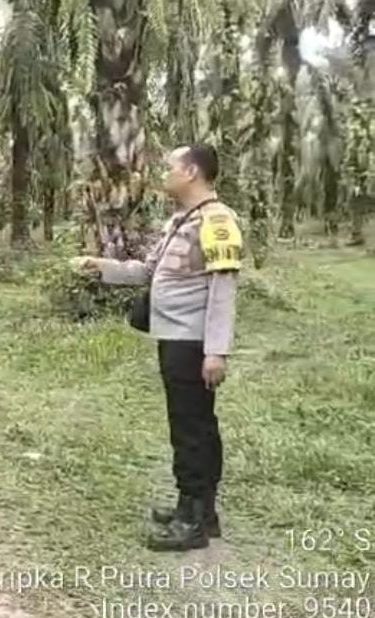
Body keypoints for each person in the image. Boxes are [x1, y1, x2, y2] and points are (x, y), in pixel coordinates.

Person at [75, 143, 243, 552]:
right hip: (174, 338)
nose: (164, 174)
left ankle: (193, 521)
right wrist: (103, 267)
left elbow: (223, 290)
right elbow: (148, 272)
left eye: (170, 167)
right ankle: (199, 511)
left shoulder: (217, 221)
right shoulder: (181, 220)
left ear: (191, 172)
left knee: (191, 430)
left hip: (192, 341)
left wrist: (216, 351)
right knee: (192, 425)